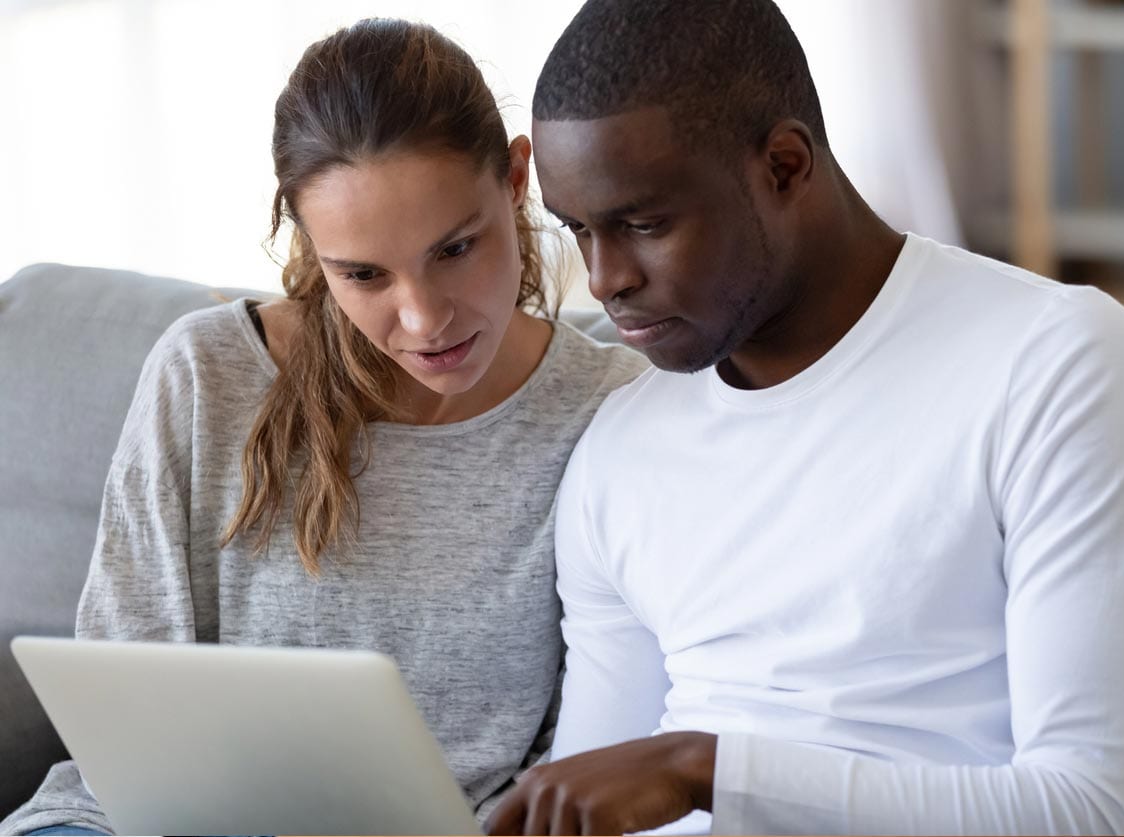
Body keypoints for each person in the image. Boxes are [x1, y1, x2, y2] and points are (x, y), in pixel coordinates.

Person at [485, 0, 1124, 834]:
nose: (603, 280)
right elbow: (576, 805)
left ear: (784, 165)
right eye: (578, 231)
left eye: (643, 224)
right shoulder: (620, 447)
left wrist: (703, 769)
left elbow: (1093, 814)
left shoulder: (1052, 360)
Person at [1, 18, 645, 837]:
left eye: (455, 248)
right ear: (312, 246)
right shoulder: (204, 373)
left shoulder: (610, 410)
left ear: (517, 178)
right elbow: (121, 708)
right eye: (364, 274)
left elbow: (588, 751)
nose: (423, 318)